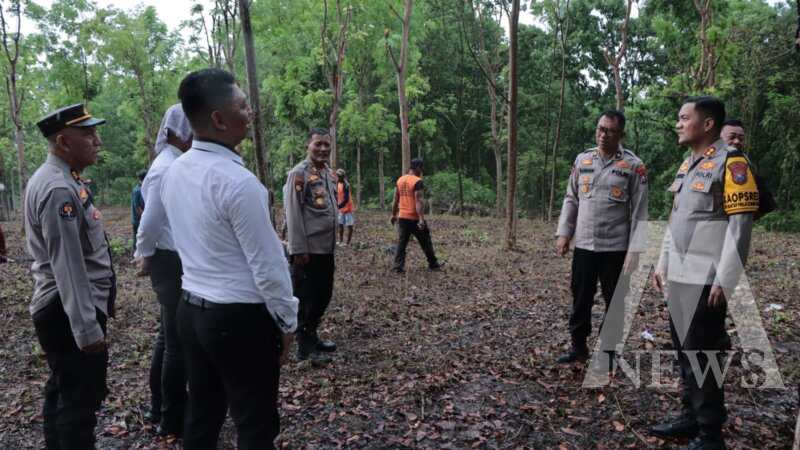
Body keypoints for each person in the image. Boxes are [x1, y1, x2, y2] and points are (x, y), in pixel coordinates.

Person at [161, 68, 297, 450]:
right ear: (219, 119)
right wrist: (287, 321)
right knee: (254, 421)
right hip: (238, 319)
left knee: (203, 412)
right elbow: (268, 266)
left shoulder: (175, 172)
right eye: (242, 106)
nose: (250, 112)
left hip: (191, 310)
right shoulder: (239, 184)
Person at [650, 96, 758, 449]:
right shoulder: (688, 165)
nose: (678, 124)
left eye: (684, 118)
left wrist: (725, 277)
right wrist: (662, 261)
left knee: (703, 354)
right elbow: (677, 218)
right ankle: (689, 415)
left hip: (706, 277)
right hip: (680, 273)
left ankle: (711, 432)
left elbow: (739, 228)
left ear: (707, 124)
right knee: (684, 350)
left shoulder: (733, 164)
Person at [24, 103, 115, 449]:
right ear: (63, 141)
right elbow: (69, 267)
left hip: (66, 307)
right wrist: (87, 329)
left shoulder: (61, 178)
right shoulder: (57, 189)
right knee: (79, 402)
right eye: (88, 134)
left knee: (63, 389)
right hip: (68, 309)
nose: (97, 140)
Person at [554, 110, 648, 365]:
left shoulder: (633, 165)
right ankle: (578, 347)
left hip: (615, 248)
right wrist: (564, 233)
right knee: (580, 296)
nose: (603, 135)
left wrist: (635, 251)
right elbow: (571, 197)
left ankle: (607, 353)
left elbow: (640, 212)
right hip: (584, 244)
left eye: (610, 131)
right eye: (600, 129)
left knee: (614, 301)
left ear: (621, 134)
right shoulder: (583, 160)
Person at [134, 103, 193, 436]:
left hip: (170, 259)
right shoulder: (166, 167)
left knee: (166, 339)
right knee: (176, 344)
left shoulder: (173, 163)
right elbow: (150, 221)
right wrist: (144, 254)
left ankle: (159, 407)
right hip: (169, 262)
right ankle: (171, 417)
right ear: (174, 132)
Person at [284, 128, 339, 363]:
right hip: (308, 250)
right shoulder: (299, 174)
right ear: (308, 145)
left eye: (327, 145)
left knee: (323, 295)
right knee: (306, 297)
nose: (323, 149)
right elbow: (293, 213)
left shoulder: (327, 173)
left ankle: (312, 336)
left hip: (326, 248)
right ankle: (305, 347)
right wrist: (298, 249)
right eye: (318, 144)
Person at [390, 158, 443, 273]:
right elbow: (418, 200)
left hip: (402, 216)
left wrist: (393, 214)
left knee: (402, 242)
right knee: (425, 240)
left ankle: (398, 266)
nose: (422, 171)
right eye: (421, 168)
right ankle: (433, 264)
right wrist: (421, 219)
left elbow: (395, 200)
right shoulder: (417, 181)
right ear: (418, 168)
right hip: (413, 217)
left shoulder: (400, 180)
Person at [336, 168, 355, 246]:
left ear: (342, 176)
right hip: (341, 208)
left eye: (339, 176)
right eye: (337, 176)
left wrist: (338, 206)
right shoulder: (337, 183)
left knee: (349, 226)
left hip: (348, 208)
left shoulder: (346, 185)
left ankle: (347, 243)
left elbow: (346, 199)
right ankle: (340, 241)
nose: (337, 177)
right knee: (340, 224)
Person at [131, 170, 146, 253]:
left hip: (141, 218)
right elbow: (137, 207)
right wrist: (144, 217)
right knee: (137, 238)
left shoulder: (142, 188)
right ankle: (135, 254)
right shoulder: (137, 190)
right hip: (138, 220)